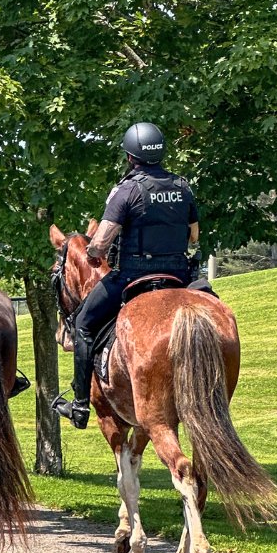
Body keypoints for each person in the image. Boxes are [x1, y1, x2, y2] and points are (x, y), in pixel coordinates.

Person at [52, 122, 200, 429]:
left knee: (82, 325)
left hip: (133, 276)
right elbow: (194, 237)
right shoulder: (183, 187)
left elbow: (102, 242)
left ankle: (80, 406)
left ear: (130, 157)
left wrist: (93, 253)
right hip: (179, 275)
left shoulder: (127, 190)